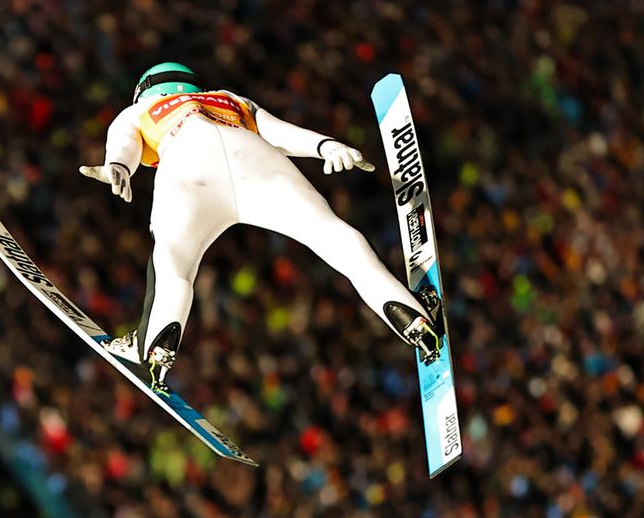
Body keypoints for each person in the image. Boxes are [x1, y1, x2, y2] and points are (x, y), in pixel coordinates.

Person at [80, 62, 442, 394]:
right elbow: (280, 133)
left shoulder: (142, 109)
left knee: (174, 264)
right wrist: (326, 146)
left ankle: (154, 346)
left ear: (145, 90)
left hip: (187, 162)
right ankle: (411, 316)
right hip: (253, 157)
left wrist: (119, 166)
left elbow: (124, 140)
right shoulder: (227, 98)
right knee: (333, 235)